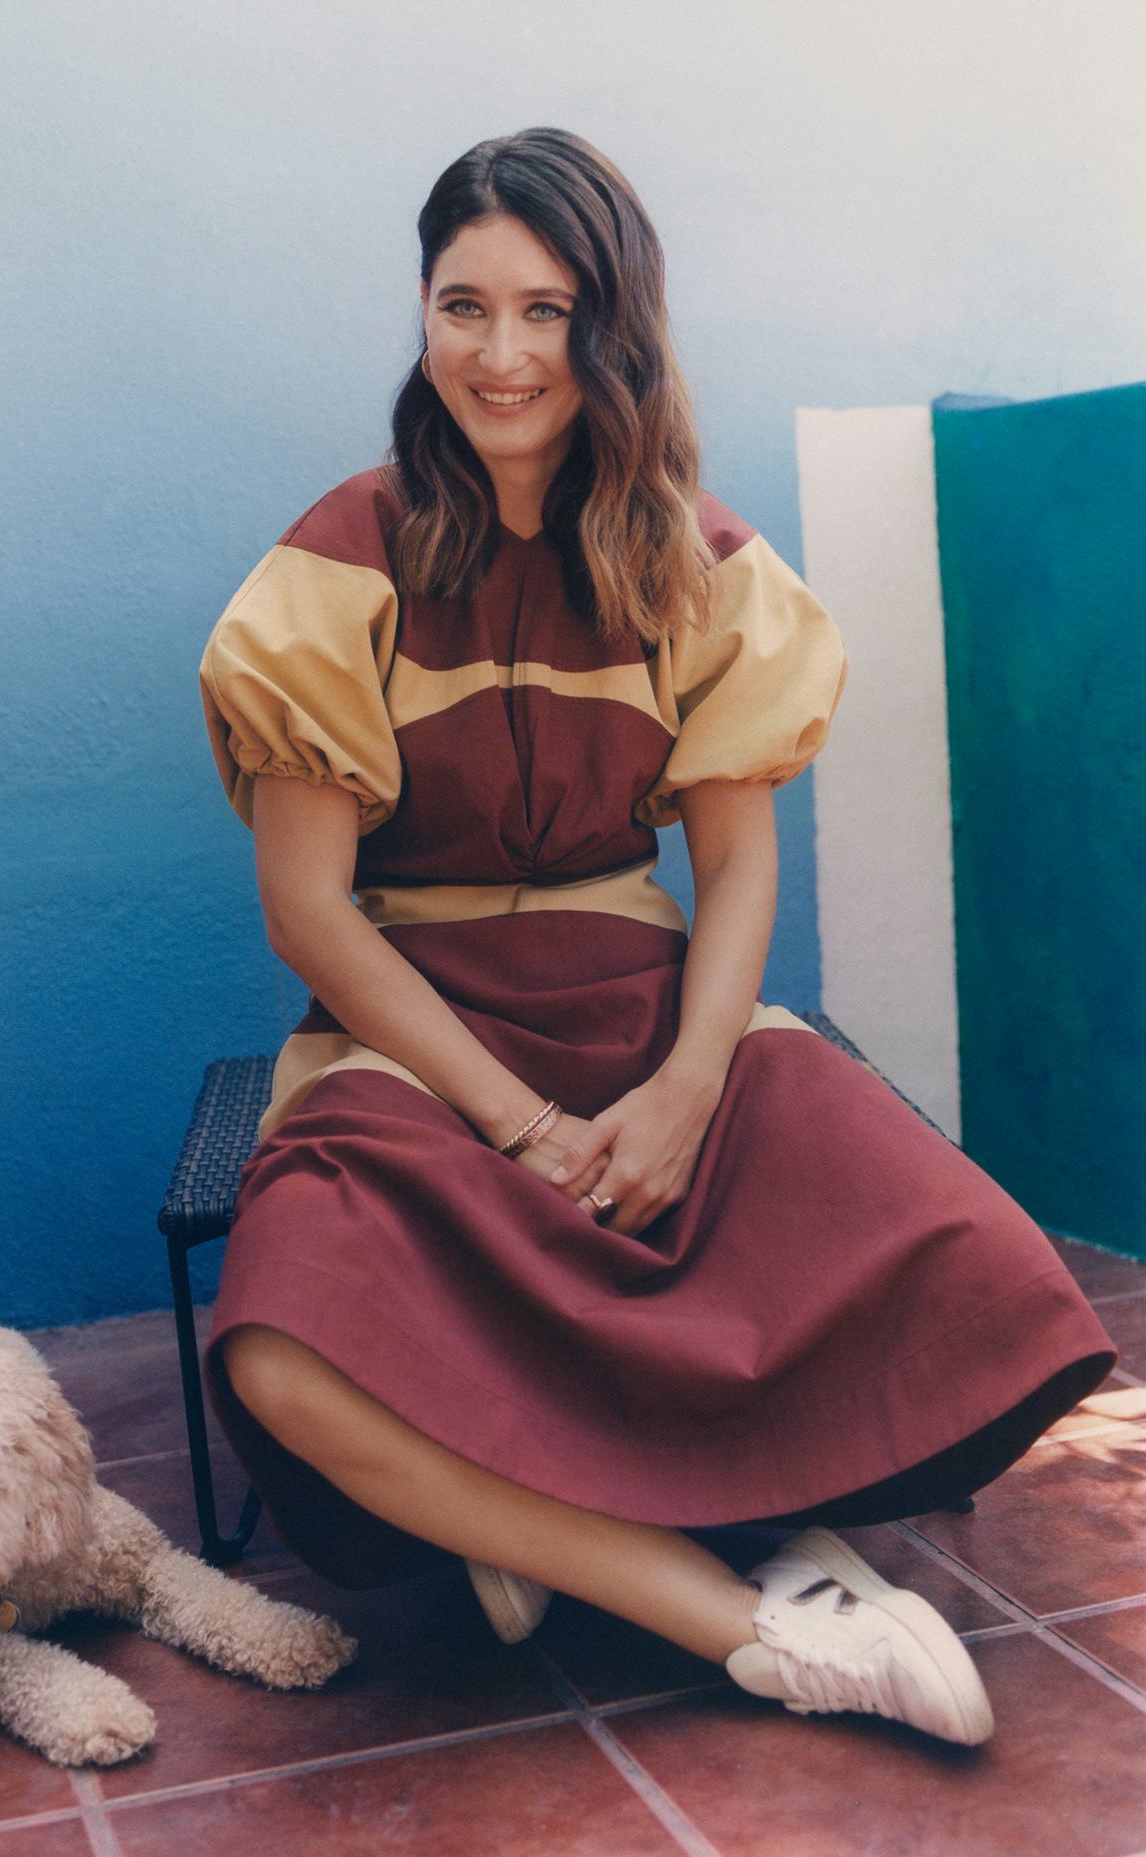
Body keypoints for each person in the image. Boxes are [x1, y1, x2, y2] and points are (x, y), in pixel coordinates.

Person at [195, 127, 1116, 1747]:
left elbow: (740, 871)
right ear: (422, 312)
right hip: (412, 1035)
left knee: (979, 1271)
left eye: (544, 310)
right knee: (277, 1351)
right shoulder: (338, 561)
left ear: (611, 324)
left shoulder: (703, 561)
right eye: (461, 304)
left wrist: (690, 1085)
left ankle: (520, 1523)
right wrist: (521, 1125)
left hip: (648, 999)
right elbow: (309, 910)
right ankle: (752, 1618)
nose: (499, 353)